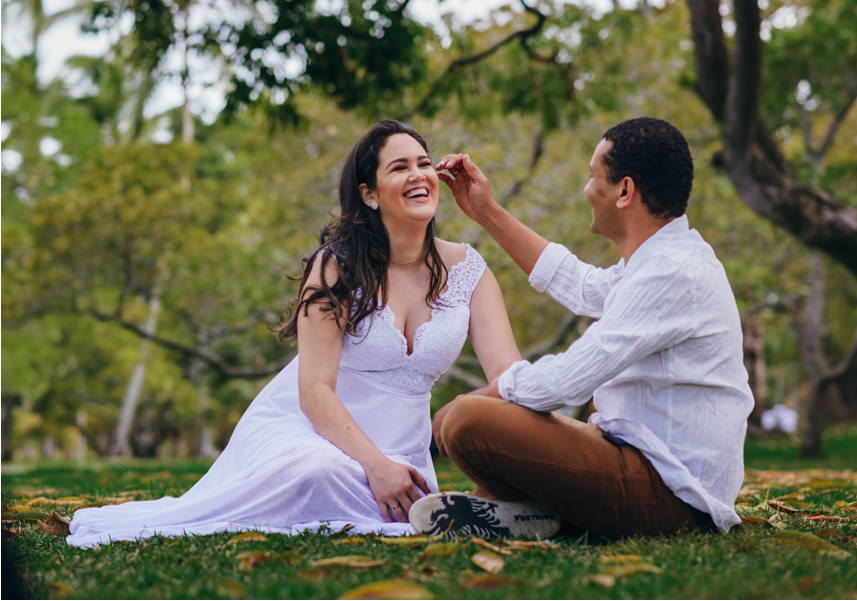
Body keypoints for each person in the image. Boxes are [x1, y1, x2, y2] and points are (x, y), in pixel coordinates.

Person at [67, 120, 557, 548]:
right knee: (318, 473)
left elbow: (508, 375)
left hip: (402, 448)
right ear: (369, 193)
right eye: (399, 167)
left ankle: (488, 510)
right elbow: (314, 389)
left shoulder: (469, 270)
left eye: (424, 163)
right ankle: (434, 509)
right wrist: (375, 467)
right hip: (310, 431)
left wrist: (464, 414)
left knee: (391, 493)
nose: (418, 175)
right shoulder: (335, 267)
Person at [409, 117, 754, 540]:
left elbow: (568, 380)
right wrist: (486, 212)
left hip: (672, 495)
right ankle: (524, 514)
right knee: (482, 417)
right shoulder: (659, 261)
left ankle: (515, 509)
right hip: (637, 466)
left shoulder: (672, 272)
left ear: (624, 191)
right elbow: (580, 284)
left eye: (594, 177)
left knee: (467, 420)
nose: (587, 189)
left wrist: (477, 397)